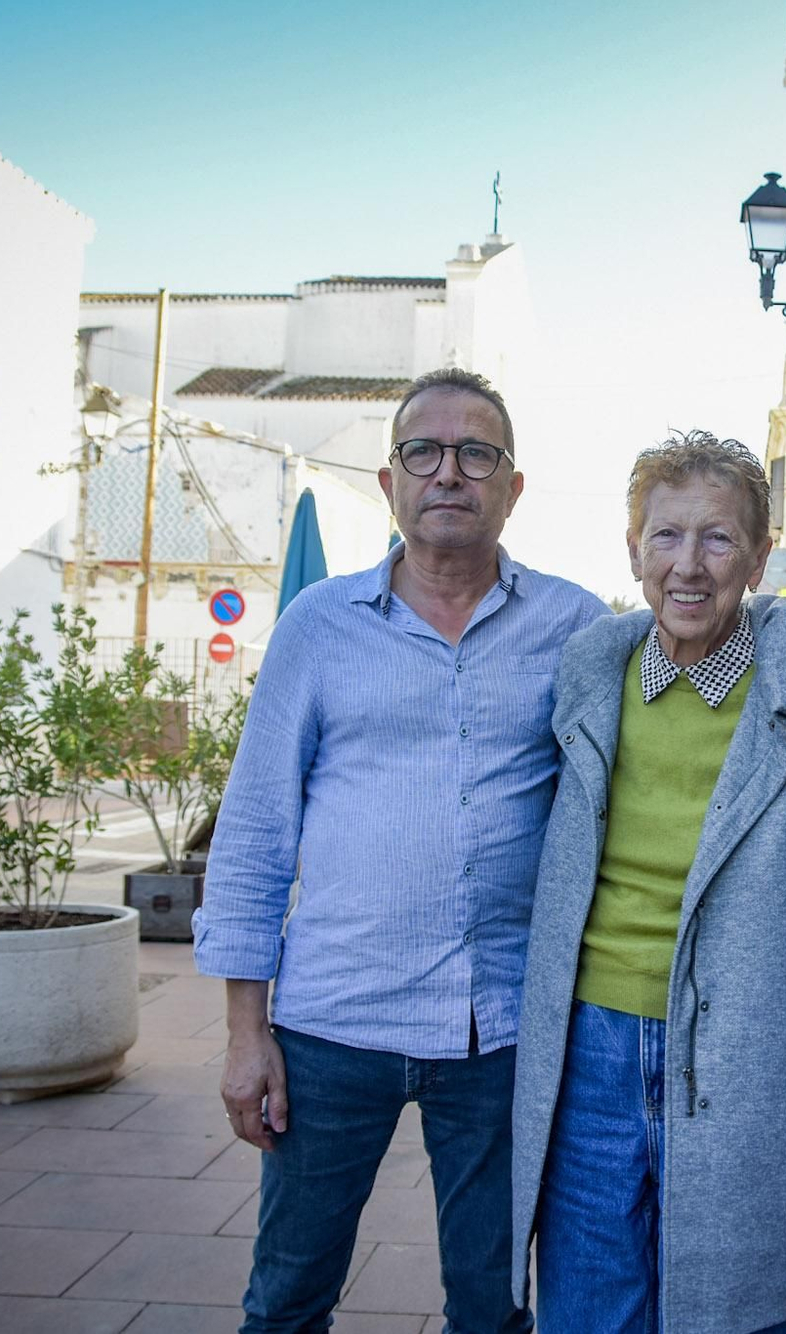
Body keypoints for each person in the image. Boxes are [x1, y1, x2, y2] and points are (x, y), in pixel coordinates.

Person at [193, 367, 608, 1334]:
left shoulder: (577, 626)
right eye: (424, 451)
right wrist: (245, 1035)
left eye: (477, 453)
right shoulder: (318, 628)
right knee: (288, 1297)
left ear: (512, 486)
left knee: (494, 1306)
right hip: (332, 1024)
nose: (449, 472)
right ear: (390, 483)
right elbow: (255, 830)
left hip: (500, 1029)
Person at [508, 432, 786, 1334]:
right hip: (590, 1047)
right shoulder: (591, 671)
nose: (689, 565)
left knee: (741, 1307)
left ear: (759, 558)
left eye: (718, 539)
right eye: (665, 537)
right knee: (590, 1306)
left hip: (751, 1052)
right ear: (632, 550)